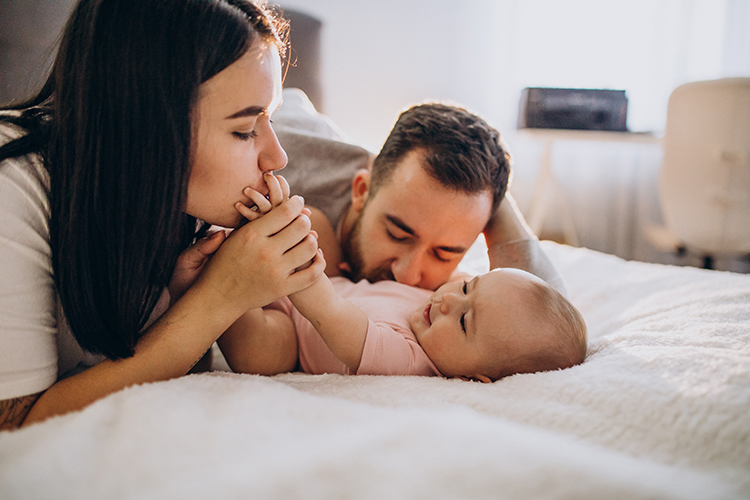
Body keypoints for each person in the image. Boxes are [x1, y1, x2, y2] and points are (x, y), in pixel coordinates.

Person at [0, 0, 324, 430]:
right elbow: (16, 427)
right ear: (148, 123)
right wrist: (216, 299)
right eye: (245, 129)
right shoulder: (14, 183)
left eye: (271, 119)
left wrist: (210, 297)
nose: (277, 157)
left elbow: (260, 348)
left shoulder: (186, 205)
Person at [218, 174, 587, 381]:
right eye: (465, 287)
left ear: (474, 379)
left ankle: (216, 267)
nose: (448, 300)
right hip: (326, 284)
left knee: (258, 353)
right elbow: (525, 299)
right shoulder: (433, 305)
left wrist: (289, 242)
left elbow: (330, 314)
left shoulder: (408, 360)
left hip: (296, 333)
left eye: (463, 321)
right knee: (312, 218)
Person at [273, 90, 567, 293]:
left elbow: (548, 323)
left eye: (443, 254)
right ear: (361, 191)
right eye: (397, 235)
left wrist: (491, 196)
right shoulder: (275, 178)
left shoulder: (419, 200)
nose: (408, 276)